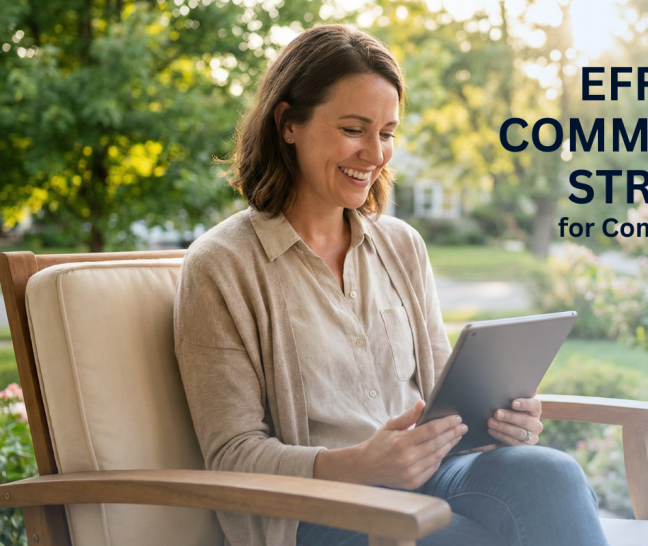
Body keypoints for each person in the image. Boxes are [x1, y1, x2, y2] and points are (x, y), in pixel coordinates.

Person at [173, 24, 610, 546]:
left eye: (387, 133)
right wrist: (360, 464)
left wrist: (495, 422)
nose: (376, 154)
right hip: (313, 512)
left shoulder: (401, 246)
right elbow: (232, 455)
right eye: (354, 129)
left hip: (426, 480)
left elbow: (439, 396)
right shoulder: (221, 266)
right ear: (288, 123)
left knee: (549, 475)